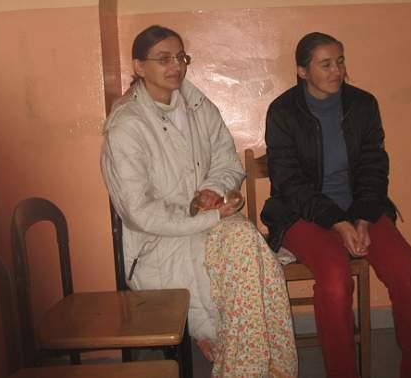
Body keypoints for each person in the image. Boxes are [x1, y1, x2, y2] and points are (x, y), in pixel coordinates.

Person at [101, 25, 297, 377]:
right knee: (243, 267)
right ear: (139, 67)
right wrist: (207, 217)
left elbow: (227, 161)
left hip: (207, 224)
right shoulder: (127, 125)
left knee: (247, 245)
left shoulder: (196, 104)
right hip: (157, 242)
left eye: (180, 57)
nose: (176, 65)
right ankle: (240, 360)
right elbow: (139, 212)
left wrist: (210, 190)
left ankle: (250, 363)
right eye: (164, 58)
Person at [262, 32, 411, 378]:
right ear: (302, 71)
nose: (337, 71)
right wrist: (337, 222)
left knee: (407, 272)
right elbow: (289, 183)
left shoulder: (363, 105)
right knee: (334, 278)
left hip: (361, 210)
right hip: (303, 214)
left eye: (340, 61)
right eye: (326, 64)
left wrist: (362, 218)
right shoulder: (282, 112)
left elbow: (374, 167)